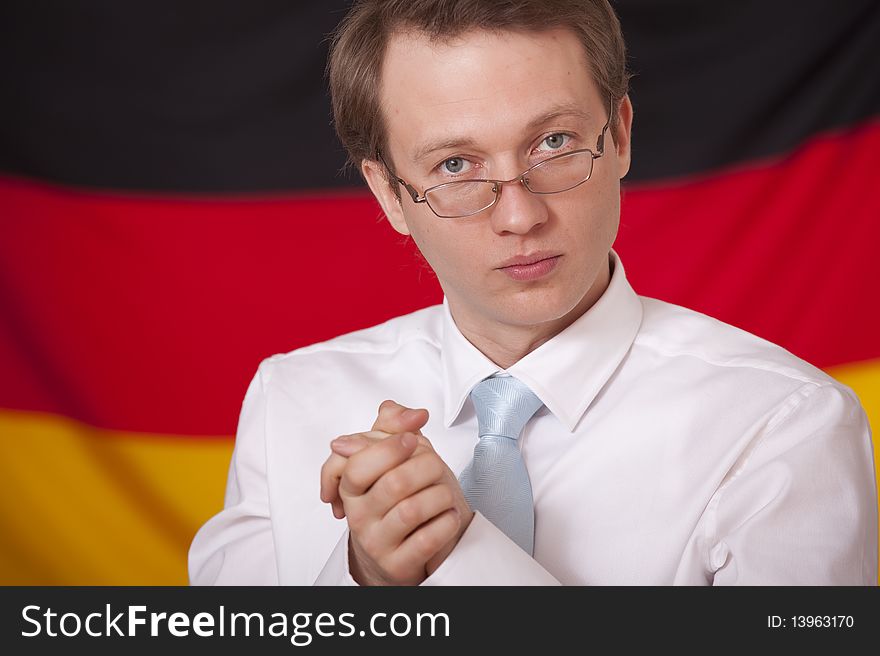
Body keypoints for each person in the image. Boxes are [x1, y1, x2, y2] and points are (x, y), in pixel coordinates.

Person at [188, 0, 877, 585]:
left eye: (553, 143)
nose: (520, 216)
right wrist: (365, 582)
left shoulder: (787, 425)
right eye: (455, 165)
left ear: (622, 137)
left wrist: (458, 559)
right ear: (389, 195)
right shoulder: (291, 398)